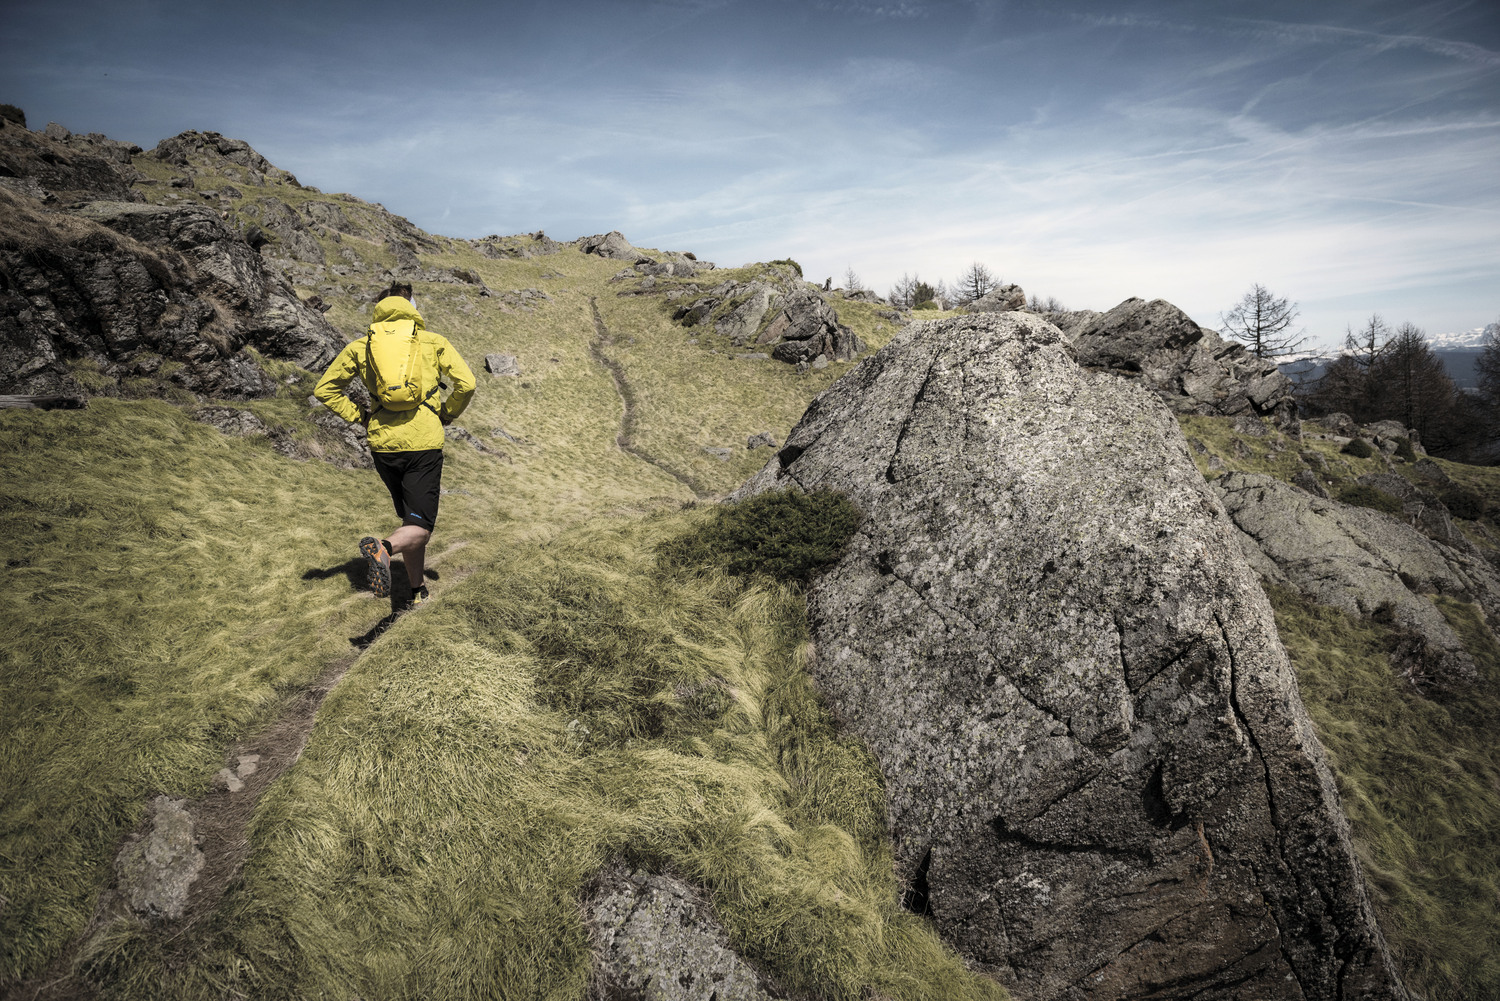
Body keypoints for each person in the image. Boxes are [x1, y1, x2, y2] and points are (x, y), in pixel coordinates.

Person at [314, 283, 476, 608]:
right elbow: (467, 383)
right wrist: (446, 413)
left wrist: (360, 417)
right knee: (422, 527)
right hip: (423, 444)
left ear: (379, 307)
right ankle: (384, 549)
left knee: (411, 521)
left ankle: (417, 592)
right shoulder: (432, 341)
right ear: (412, 306)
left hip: (383, 447)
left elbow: (325, 389)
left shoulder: (362, 346)